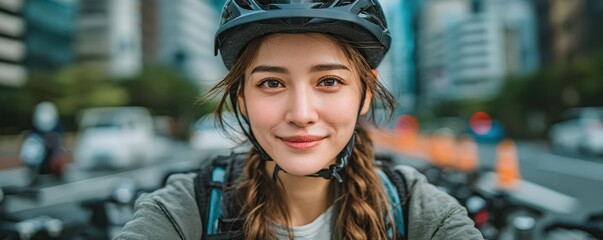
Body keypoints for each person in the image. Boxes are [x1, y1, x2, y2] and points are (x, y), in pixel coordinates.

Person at [116, 0, 483, 239]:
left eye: (329, 81)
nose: (302, 114)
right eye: (272, 83)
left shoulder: (415, 210)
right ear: (242, 96)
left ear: (366, 92)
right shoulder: (188, 209)